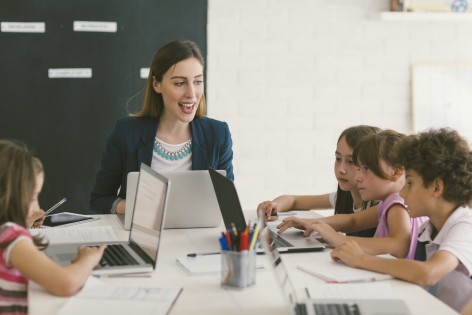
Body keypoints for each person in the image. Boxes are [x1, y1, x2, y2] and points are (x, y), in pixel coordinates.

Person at [330, 128, 472, 312]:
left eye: (410, 183)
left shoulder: (465, 226)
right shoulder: (428, 229)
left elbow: (428, 274)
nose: (403, 192)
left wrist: (361, 259)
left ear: (437, 187)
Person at [90, 40, 234, 214]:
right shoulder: (126, 132)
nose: (191, 93)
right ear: (157, 84)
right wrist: (135, 208)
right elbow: (100, 200)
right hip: (142, 237)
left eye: (197, 81)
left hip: (196, 238)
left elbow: (227, 203)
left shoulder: (218, 134)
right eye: (180, 83)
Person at [278, 130, 427, 259]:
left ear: (396, 172)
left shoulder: (398, 205)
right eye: (358, 168)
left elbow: (399, 246)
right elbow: (353, 221)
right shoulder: (389, 202)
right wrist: (312, 224)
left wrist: (337, 239)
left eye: (366, 169)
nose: (357, 177)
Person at [0, 140, 105, 314]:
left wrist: (25, 226)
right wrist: (89, 260)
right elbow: (66, 283)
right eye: (33, 197)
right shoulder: (11, 236)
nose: (37, 206)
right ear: (10, 196)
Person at [257, 125, 381, 237]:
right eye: (338, 158)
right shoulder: (344, 196)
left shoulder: (381, 204)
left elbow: (352, 220)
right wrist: (273, 206)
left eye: (351, 162)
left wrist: (310, 224)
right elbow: (293, 200)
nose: (341, 169)